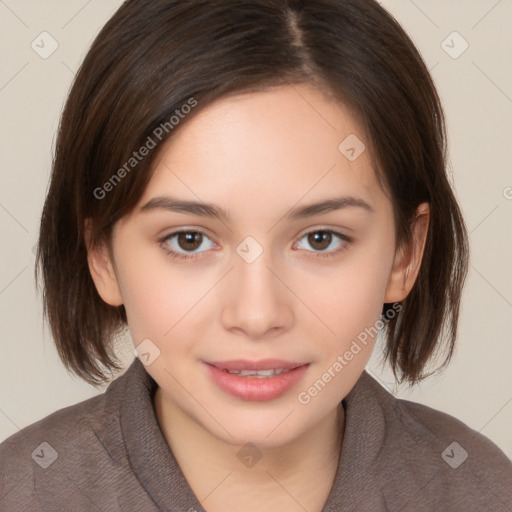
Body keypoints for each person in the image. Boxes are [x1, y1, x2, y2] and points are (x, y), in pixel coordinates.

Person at [1, 0, 511, 510]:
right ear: (102, 257)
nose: (257, 315)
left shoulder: (483, 490)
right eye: (189, 240)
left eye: (320, 239)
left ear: (405, 253)